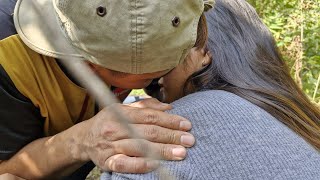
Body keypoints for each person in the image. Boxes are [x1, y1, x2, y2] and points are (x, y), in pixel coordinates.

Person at [101, 0, 320, 179]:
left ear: (204, 49)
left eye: (168, 51)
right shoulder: (296, 122)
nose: (157, 72)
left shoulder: (174, 128)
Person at [0, 0, 215, 179]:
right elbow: (6, 169)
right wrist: (82, 139)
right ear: (89, 65)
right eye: (152, 75)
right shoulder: (10, 58)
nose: (162, 77)